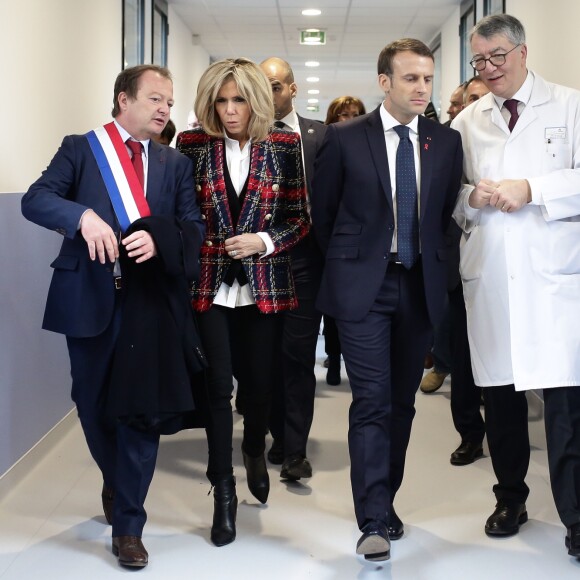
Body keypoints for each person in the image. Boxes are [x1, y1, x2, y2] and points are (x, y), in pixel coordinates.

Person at [21, 65, 205, 568]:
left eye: (170, 100)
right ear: (123, 100)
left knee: (139, 411)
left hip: (149, 305)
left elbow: (193, 227)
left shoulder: (175, 163)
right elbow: (36, 200)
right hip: (88, 298)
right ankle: (116, 479)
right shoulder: (82, 149)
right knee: (92, 402)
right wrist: (81, 216)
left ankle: (129, 523)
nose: (165, 108)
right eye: (155, 99)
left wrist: (160, 235)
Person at [312, 38, 463, 561]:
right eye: (410, 79)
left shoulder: (444, 143)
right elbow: (324, 215)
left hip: (418, 286)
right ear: (385, 82)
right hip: (364, 289)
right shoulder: (344, 138)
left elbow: (442, 216)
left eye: (427, 78)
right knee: (372, 402)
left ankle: (387, 499)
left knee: (401, 404)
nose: (421, 88)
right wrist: (356, 261)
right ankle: (372, 517)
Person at [452, 13, 580, 559]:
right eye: (479, 60)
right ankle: (510, 498)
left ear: (523, 53)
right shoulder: (468, 122)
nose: (488, 69)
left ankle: (575, 515)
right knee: (500, 399)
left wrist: (534, 187)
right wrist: (470, 199)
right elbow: (449, 197)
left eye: (496, 57)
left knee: (565, 407)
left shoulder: (570, 105)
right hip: (494, 278)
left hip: (553, 281)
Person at [176, 57, 309, 546]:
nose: (230, 111)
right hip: (209, 286)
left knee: (259, 387)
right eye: (221, 101)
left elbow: (299, 218)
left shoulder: (284, 144)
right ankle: (224, 490)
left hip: (263, 287)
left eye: (239, 100)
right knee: (216, 389)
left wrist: (264, 242)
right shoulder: (190, 145)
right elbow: (181, 215)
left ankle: (255, 447)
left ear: (256, 100)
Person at [258, 57, 327, 481]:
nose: (271, 95)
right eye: (263, 87)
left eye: (278, 86)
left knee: (298, 356)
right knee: (265, 358)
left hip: (307, 262)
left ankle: (295, 450)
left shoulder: (322, 136)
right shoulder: (249, 137)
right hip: (262, 263)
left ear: (293, 89)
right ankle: (277, 434)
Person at [321, 96, 367, 387]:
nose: (348, 120)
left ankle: (351, 360)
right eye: (342, 115)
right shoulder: (330, 143)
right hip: (334, 241)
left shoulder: (371, 145)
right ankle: (333, 358)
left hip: (364, 246)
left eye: (355, 114)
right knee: (333, 311)